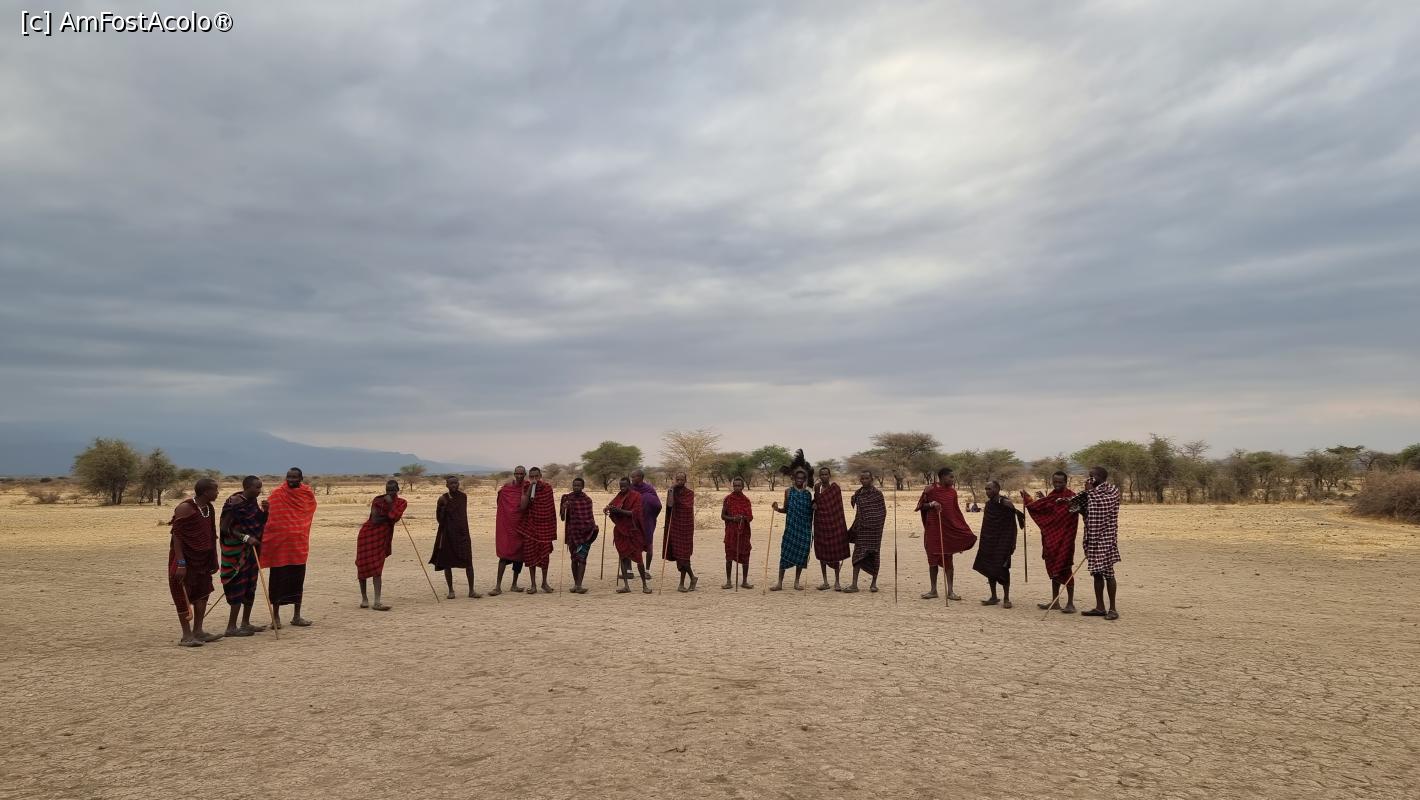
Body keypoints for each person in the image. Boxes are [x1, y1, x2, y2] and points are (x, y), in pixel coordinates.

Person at [169, 477, 222, 647]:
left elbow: (211, 534)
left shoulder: (208, 508)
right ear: (206, 492)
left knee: (203, 593)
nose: (217, 492)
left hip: (203, 560)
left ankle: (198, 631)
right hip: (185, 558)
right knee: (182, 594)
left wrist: (213, 559)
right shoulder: (185, 508)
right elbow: (177, 536)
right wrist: (181, 563)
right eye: (215, 490)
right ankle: (186, 635)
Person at [262, 467, 317, 628]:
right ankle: (276, 617)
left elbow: (308, 513)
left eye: (294, 477)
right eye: (289, 477)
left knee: (297, 581)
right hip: (280, 547)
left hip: (298, 546)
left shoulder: (306, 494)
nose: (291, 480)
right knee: (277, 581)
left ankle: (297, 616)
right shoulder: (277, 493)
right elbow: (268, 517)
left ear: (301, 478)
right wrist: (265, 510)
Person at [915, 467, 977, 601]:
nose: (953, 479)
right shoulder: (930, 489)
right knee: (932, 560)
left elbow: (956, 512)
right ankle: (933, 590)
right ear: (942, 477)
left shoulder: (952, 492)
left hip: (947, 531)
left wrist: (961, 530)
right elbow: (920, 506)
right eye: (951, 477)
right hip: (933, 529)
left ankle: (950, 591)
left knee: (948, 561)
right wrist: (932, 504)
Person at [1022, 472, 1079, 613]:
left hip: (1066, 540)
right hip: (1052, 540)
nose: (1057, 484)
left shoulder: (1072, 497)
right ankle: (1055, 601)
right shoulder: (1052, 496)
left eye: (1060, 482)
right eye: (1055, 482)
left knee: (1065, 569)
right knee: (1054, 570)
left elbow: (1067, 514)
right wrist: (1029, 499)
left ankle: (1070, 603)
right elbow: (1044, 510)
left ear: (1066, 482)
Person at [219, 476, 269, 637]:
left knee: (250, 586)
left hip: (252, 550)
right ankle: (231, 627)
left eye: (260, 487)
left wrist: (266, 511)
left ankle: (245, 623)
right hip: (237, 552)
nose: (259, 490)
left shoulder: (252, 502)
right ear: (247, 487)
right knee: (237, 586)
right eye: (257, 487)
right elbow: (225, 528)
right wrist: (246, 538)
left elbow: (258, 523)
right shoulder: (234, 503)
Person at [1079, 466, 1122, 620]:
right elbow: (1085, 511)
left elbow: (1104, 506)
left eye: (1092, 476)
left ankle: (1113, 609)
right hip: (1092, 537)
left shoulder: (1112, 491)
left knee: (1108, 573)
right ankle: (1100, 607)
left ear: (1100, 477)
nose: (1089, 479)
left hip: (1106, 537)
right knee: (1096, 573)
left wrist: (1090, 492)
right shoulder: (1090, 492)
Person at [355, 480, 406, 611]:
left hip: (383, 536)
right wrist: (390, 516)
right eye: (388, 490)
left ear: (398, 489)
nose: (390, 492)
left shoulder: (402, 502)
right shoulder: (377, 500)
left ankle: (377, 601)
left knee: (377, 569)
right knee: (362, 566)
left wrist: (390, 505)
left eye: (393, 490)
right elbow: (375, 519)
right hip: (367, 534)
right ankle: (364, 599)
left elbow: (394, 517)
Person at [974, 480, 1024, 608]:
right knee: (989, 567)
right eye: (986, 489)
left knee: (1003, 568)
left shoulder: (1005, 503)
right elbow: (987, 525)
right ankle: (993, 596)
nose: (987, 491)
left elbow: (1013, 523)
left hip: (1003, 542)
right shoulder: (988, 504)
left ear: (997, 489)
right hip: (989, 541)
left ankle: (1006, 598)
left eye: (989, 489)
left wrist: (1013, 542)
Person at [430, 475, 480, 599]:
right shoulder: (442, 498)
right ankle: (451, 590)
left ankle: (471, 590)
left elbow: (461, 515)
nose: (454, 485)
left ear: (459, 484)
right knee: (447, 563)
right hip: (448, 533)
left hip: (463, 533)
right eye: (451, 483)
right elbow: (439, 519)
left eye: (455, 483)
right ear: (446, 485)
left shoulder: (463, 497)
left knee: (468, 562)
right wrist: (443, 508)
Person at [770, 468, 813, 591]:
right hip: (791, 528)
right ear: (793, 479)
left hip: (804, 529)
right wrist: (777, 509)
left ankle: (796, 582)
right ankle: (779, 583)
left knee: (801, 555)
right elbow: (786, 509)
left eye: (802, 478)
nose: (799, 480)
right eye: (797, 478)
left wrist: (814, 507)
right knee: (785, 554)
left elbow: (809, 511)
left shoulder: (807, 494)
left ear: (805, 480)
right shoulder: (788, 492)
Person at [606, 476, 651, 593]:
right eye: (620, 486)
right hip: (620, 531)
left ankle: (644, 585)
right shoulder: (619, 496)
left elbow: (635, 513)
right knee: (622, 557)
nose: (622, 488)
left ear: (629, 485)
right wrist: (608, 508)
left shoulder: (636, 496)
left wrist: (619, 511)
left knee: (639, 558)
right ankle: (626, 586)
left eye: (624, 486)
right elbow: (612, 505)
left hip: (633, 531)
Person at [845, 470, 886, 593]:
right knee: (857, 555)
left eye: (867, 478)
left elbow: (882, 513)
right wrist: (857, 525)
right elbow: (858, 512)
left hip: (874, 532)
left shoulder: (877, 494)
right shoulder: (858, 494)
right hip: (861, 530)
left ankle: (873, 584)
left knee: (874, 555)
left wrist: (874, 524)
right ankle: (854, 584)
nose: (864, 480)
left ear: (871, 479)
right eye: (862, 478)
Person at [519, 466, 557, 594]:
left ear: (540, 476)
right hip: (531, 526)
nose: (534, 479)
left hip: (545, 527)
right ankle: (533, 584)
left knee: (545, 556)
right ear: (529, 477)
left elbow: (550, 509)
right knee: (531, 556)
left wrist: (552, 528)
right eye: (532, 477)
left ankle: (544, 583)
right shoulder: (526, 487)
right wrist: (531, 487)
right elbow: (523, 506)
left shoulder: (547, 488)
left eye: (536, 476)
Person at [812, 467, 850, 591]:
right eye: (822, 475)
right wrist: (814, 504)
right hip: (820, 524)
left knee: (836, 554)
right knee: (822, 553)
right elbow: (816, 502)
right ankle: (825, 582)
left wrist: (839, 526)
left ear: (830, 475)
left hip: (833, 525)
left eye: (826, 474)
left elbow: (838, 508)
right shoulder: (817, 488)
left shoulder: (835, 489)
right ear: (819, 476)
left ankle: (837, 582)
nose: (824, 476)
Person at [491, 466, 527, 596]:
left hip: (521, 526)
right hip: (507, 526)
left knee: (519, 557)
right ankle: (498, 586)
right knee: (504, 555)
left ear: (525, 474)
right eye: (517, 473)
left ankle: (514, 584)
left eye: (521, 474)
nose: (519, 476)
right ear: (514, 474)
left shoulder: (527, 487)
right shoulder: (506, 489)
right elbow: (500, 504)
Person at [559, 477, 598, 593]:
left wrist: (592, 529)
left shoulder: (587, 500)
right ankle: (576, 584)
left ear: (583, 487)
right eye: (574, 485)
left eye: (578, 486)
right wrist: (564, 508)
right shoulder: (566, 499)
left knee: (582, 559)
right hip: (572, 534)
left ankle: (579, 585)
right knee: (574, 559)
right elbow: (562, 518)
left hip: (585, 534)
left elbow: (589, 517)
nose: (576, 487)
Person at [663, 472, 697, 592]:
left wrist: (676, 499)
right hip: (675, 526)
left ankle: (688, 580)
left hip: (686, 527)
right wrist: (671, 490)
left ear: (685, 480)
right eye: (677, 479)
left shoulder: (689, 493)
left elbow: (687, 507)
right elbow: (670, 505)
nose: (679, 482)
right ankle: (686, 581)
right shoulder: (672, 492)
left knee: (684, 556)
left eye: (682, 479)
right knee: (679, 556)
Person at [721, 477, 754, 589]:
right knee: (729, 556)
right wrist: (733, 518)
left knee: (745, 555)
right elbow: (723, 516)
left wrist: (743, 518)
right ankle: (728, 581)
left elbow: (750, 517)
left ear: (743, 487)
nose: (737, 488)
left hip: (744, 533)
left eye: (739, 486)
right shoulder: (728, 499)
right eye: (735, 486)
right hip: (731, 532)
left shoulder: (746, 500)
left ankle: (744, 581)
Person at [631, 470, 661, 572]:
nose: (632, 479)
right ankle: (629, 571)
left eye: (634, 477)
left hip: (647, 521)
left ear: (640, 477)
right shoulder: (630, 488)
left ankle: (647, 570)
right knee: (630, 545)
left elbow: (658, 505)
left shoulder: (649, 489)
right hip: (633, 521)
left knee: (649, 544)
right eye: (631, 477)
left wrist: (651, 516)